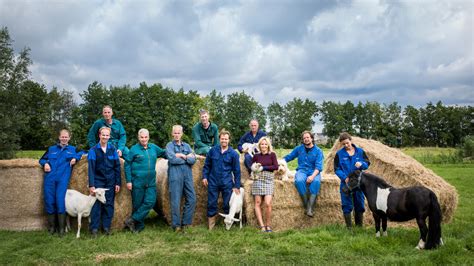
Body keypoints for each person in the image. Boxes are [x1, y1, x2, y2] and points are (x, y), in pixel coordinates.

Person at [39, 129, 82, 236]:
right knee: (49, 201)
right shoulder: (51, 149)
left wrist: (75, 158)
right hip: (50, 178)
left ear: (69, 138)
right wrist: (45, 164)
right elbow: (42, 159)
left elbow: (83, 152)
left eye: (66, 137)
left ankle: (61, 229)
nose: (64, 139)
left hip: (62, 179)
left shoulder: (72, 149)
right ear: (59, 137)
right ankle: (52, 228)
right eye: (62, 137)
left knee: (60, 201)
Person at [124, 128, 166, 233]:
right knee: (137, 204)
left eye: (146, 137)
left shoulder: (153, 148)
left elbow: (164, 153)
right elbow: (127, 164)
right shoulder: (134, 149)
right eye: (142, 137)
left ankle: (132, 220)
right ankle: (138, 227)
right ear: (138, 138)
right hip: (137, 181)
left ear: (148, 137)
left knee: (151, 201)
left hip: (151, 181)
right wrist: (129, 181)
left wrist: (174, 150)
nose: (144, 139)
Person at [202, 130, 241, 230]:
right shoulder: (212, 151)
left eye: (226, 139)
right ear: (219, 139)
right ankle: (211, 225)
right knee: (211, 202)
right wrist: (205, 176)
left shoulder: (233, 154)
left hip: (227, 183)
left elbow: (237, 171)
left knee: (227, 204)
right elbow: (207, 165)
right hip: (213, 181)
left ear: (229, 140)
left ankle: (227, 223)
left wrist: (236, 185)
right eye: (222, 139)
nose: (224, 140)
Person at [88, 127, 121, 237]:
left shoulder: (113, 149)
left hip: (110, 181)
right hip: (98, 181)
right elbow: (91, 169)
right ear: (99, 135)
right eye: (103, 135)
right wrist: (92, 185)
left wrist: (118, 183)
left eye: (107, 135)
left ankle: (106, 228)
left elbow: (117, 167)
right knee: (96, 205)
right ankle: (94, 229)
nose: (105, 137)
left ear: (109, 136)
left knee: (109, 204)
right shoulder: (93, 150)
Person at [334, 132, 370, 228]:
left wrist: (361, 164)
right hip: (346, 183)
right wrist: (344, 177)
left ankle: (359, 227)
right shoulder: (339, 154)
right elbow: (337, 169)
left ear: (351, 140)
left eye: (347, 143)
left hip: (358, 183)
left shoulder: (360, 151)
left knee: (360, 204)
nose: (346, 145)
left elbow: (367, 163)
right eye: (343, 144)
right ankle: (349, 228)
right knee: (346, 205)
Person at [284, 130, 324, 217]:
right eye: (304, 138)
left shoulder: (318, 151)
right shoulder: (299, 149)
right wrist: (278, 161)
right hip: (302, 170)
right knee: (299, 181)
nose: (306, 139)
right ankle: (308, 208)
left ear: (312, 138)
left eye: (308, 137)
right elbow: (289, 157)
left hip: (314, 171)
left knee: (316, 182)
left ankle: (309, 209)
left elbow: (319, 166)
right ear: (303, 140)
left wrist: (312, 176)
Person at [165, 125, 197, 232]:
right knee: (175, 201)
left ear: (182, 134)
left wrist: (181, 156)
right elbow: (172, 159)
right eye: (175, 132)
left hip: (187, 175)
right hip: (175, 175)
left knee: (192, 199)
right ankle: (176, 225)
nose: (177, 135)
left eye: (179, 133)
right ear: (172, 134)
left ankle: (186, 222)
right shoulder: (169, 146)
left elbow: (193, 160)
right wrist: (186, 158)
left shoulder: (187, 146)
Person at [250, 137, 278, 232]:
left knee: (267, 203)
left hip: (268, 179)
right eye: (262, 144)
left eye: (265, 144)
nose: (264, 146)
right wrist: (255, 167)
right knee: (257, 203)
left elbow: (275, 166)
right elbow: (252, 167)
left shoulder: (272, 155)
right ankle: (262, 226)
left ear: (268, 145)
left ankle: (268, 225)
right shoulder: (256, 156)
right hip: (258, 179)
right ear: (259, 145)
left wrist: (263, 167)